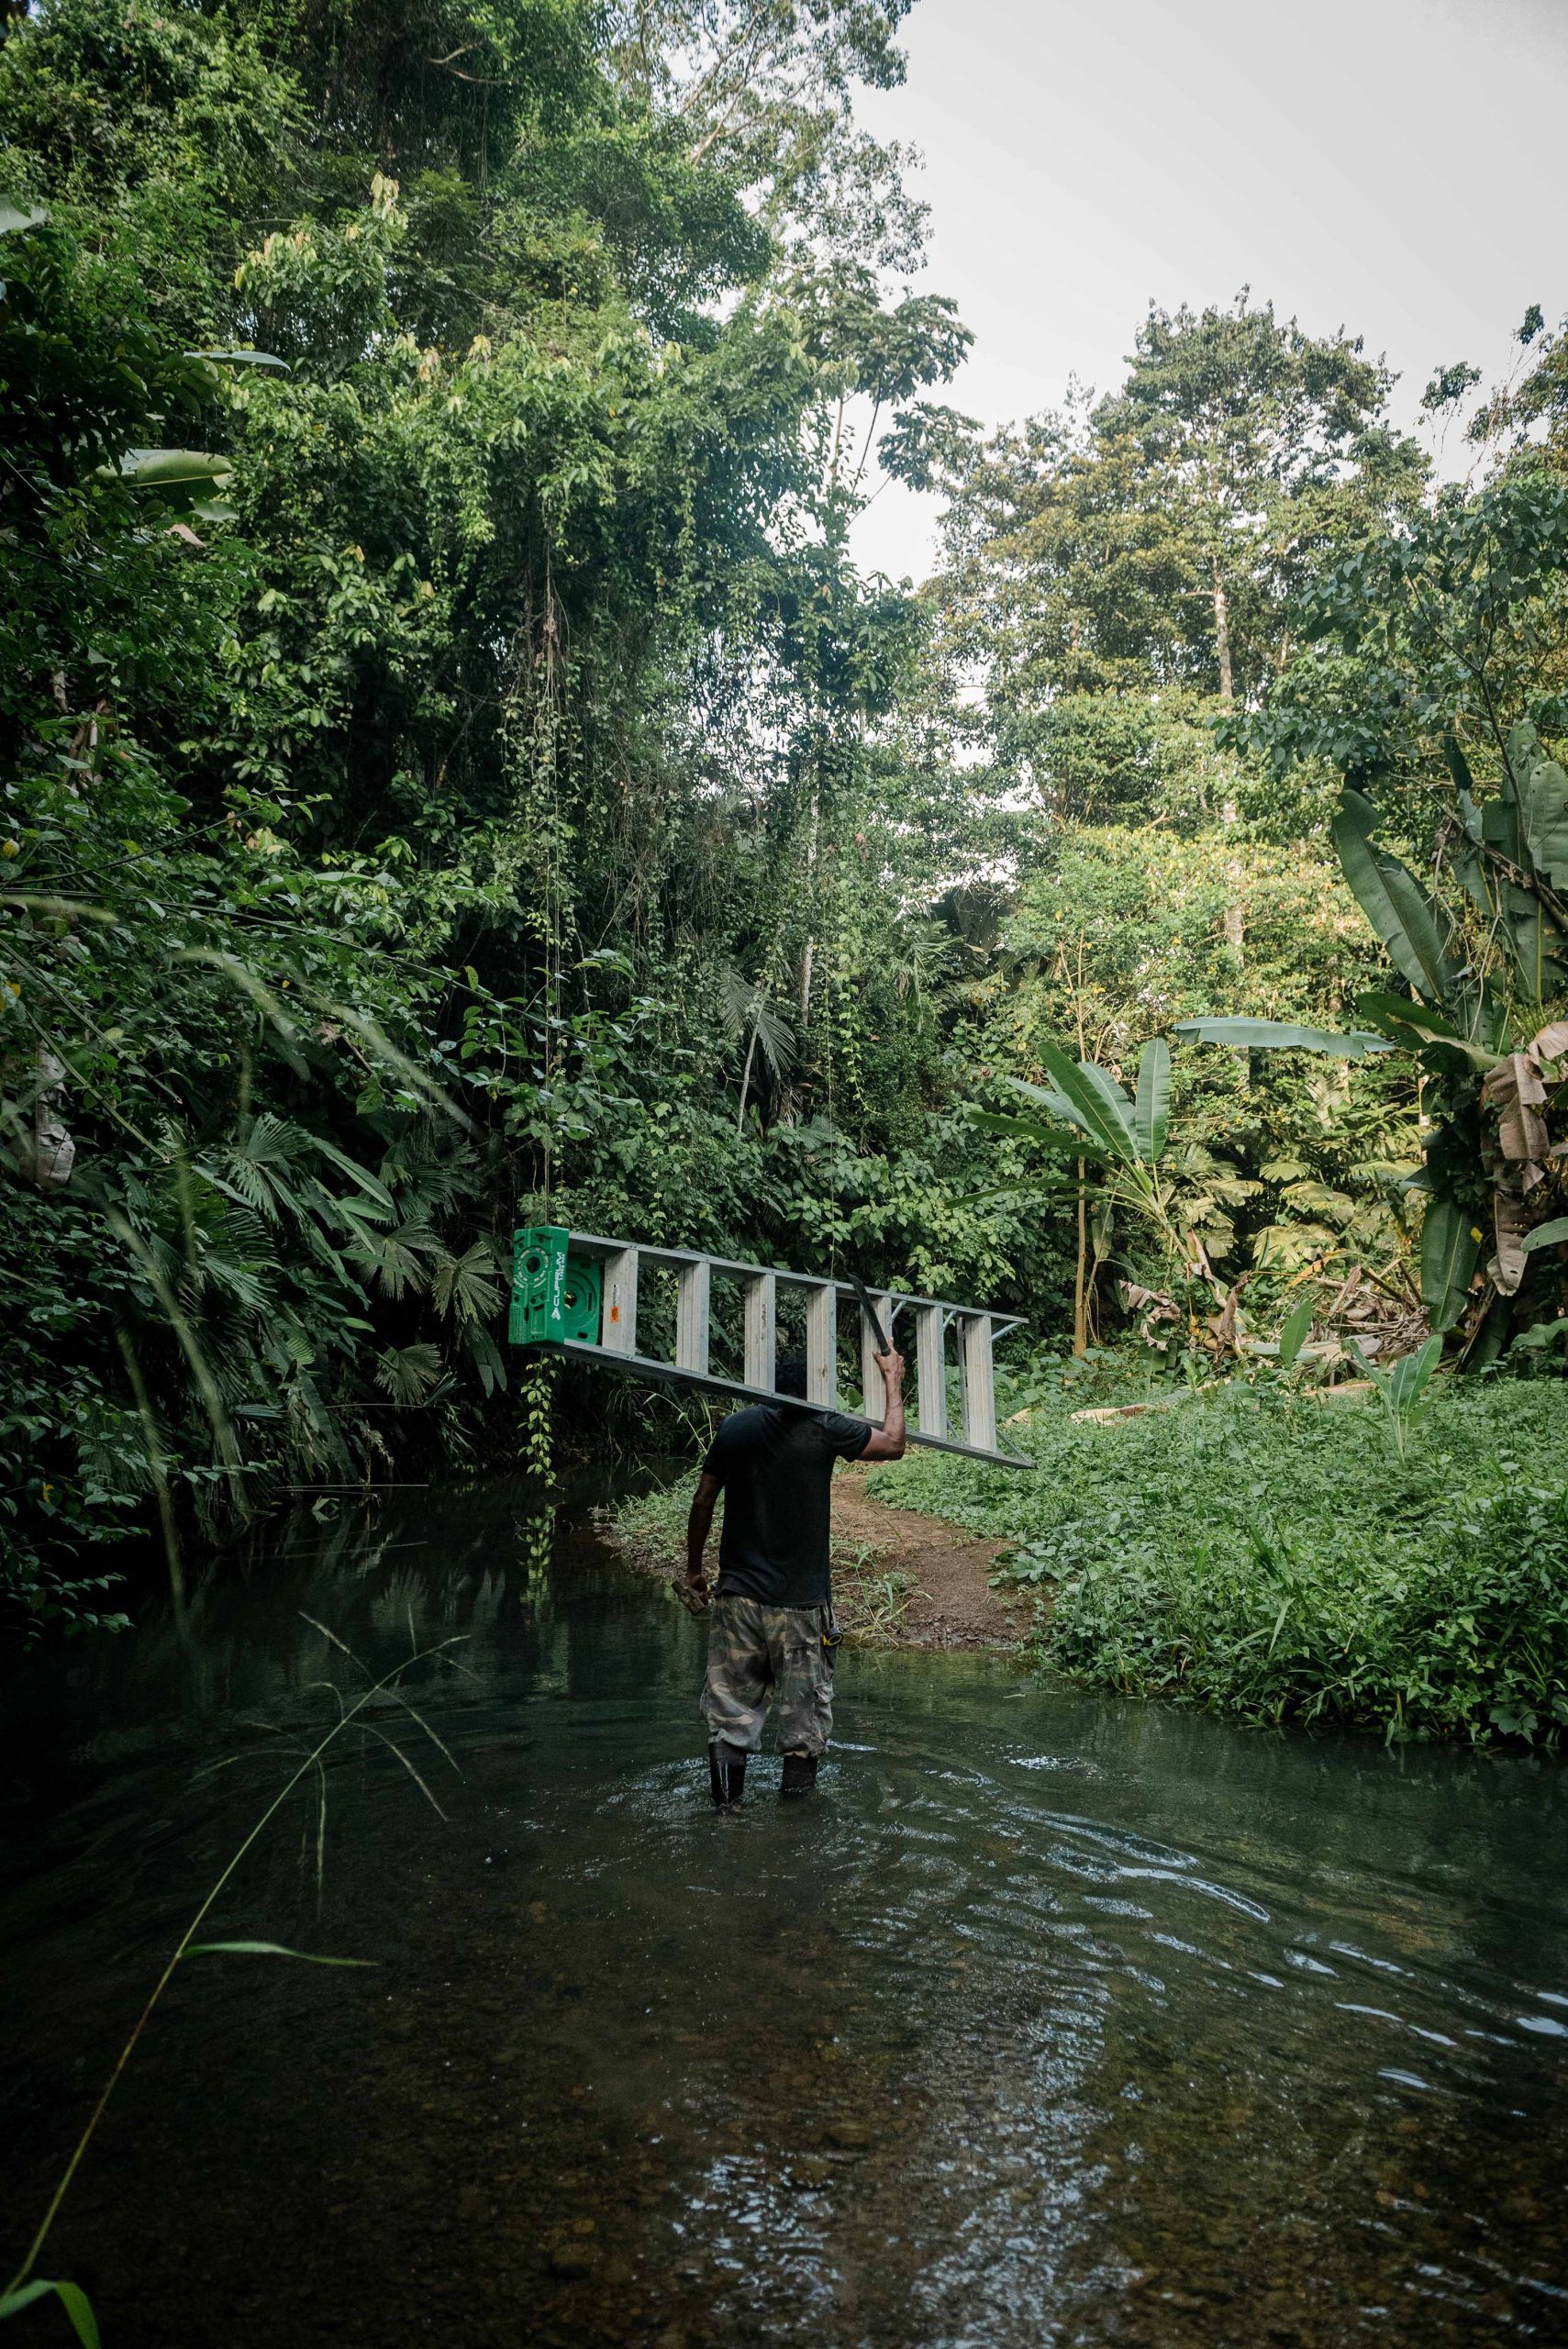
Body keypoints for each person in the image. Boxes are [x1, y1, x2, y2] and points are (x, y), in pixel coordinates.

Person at [683, 1343, 906, 1803]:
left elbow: (703, 1500)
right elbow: (895, 1444)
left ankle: (725, 1819)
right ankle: (797, 1835)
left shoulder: (734, 1428)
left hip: (737, 1600)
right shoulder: (824, 1427)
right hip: (801, 1607)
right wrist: (892, 1378)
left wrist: (693, 1571)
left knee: (729, 1720)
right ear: (812, 1389)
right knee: (804, 1725)